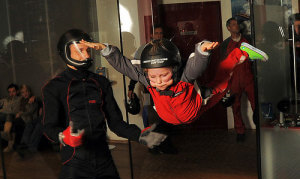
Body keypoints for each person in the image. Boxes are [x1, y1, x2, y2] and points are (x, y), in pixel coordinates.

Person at [42, 29, 167, 179]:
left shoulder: (100, 82)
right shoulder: (54, 87)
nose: (85, 54)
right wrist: (63, 136)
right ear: (65, 53)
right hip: (74, 161)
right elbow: (48, 127)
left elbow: (116, 124)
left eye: (87, 49)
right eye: (79, 50)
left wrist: (141, 136)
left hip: (103, 159)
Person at [81, 38, 268, 126]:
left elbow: (197, 66)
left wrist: (202, 50)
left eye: (163, 75)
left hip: (197, 105)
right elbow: (124, 66)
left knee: (222, 80)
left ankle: (241, 53)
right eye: (153, 77)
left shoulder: (183, 79)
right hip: (172, 116)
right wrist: (106, 50)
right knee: (218, 87)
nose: (158, 81)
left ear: (175, 70)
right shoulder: (147, 80)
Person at [128, 24, 178, 154]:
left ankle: (165, 145)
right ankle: (153, 146)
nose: (159, 35)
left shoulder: (167, 48)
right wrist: (131, 88)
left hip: (166, 90)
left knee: (166, 118)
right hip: (149, 90)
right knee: (151, 117)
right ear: (151, 35)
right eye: (156, 33)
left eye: (161, 33)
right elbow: (135, 71)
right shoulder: (143, 50)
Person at [219, 17, 255, 142]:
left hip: (248, 77)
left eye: (237, 24)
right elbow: (222, 64)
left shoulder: (249, 40)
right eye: (233, 24)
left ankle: (261, 129)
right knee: (236, 106)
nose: (236, 26)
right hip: (234, 79)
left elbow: (256, 57)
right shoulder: (225, 45)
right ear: (228, 28)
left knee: (255, 105)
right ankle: (240, 131)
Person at [0, 84, 21, 149]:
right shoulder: (5, 99)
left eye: (13, 91)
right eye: (10, 92)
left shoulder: (19, 99)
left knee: (9, 115)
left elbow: (13, 111)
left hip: (12, 115)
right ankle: (6, 135)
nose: (11, 94)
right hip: (3, 115)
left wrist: (1, 110)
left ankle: (6, 133)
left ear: (17, 91)